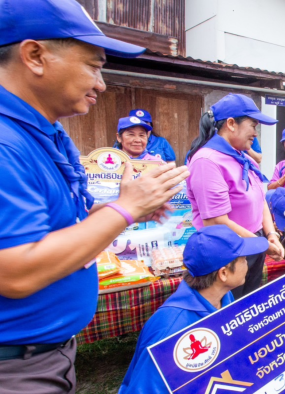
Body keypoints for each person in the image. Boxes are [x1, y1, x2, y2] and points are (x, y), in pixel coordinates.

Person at [0, 0, 189, 391]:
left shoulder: (45, 132)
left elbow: (54, 226)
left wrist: (118, 213)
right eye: (94, 65)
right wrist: (124, 208)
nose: (101, 84)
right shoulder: (6, 142)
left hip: (43, 353)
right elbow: (14, 271)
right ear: (35, 55)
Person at [119, 225, 269, 393]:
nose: (247, 262)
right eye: (243, 258)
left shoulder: (224, 298)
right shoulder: (171, 330)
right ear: (224, 274)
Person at [186, 93, 284, 299]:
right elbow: (216, 221)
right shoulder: (207, 161)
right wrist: (263, 244)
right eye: (253, 125)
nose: (255, 133)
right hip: (227, 255)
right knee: (230, 312)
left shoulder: (242, 157)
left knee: (248, 305)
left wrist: (271, 235)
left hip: (252, 245)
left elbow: (260, 199)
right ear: (231, 124)